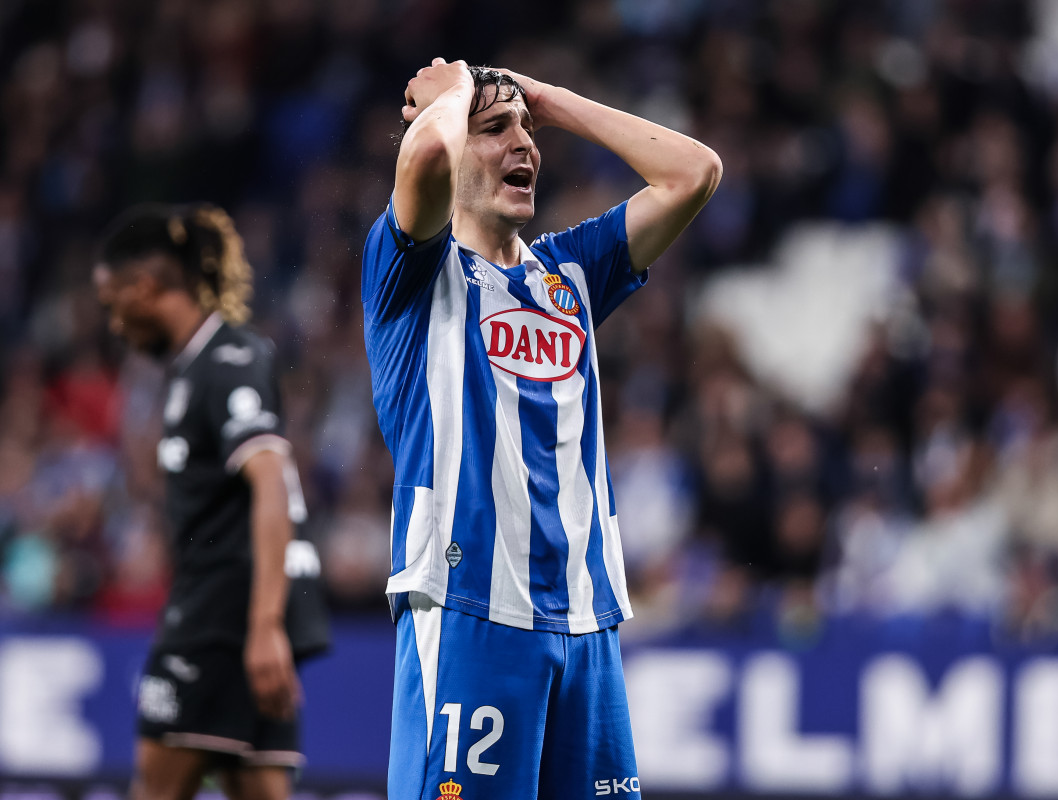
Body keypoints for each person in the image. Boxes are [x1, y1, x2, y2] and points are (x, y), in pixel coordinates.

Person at [361, 60, 721, 799]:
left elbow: (694, 173)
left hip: (587, 621)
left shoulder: (568, 275)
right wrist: (455, 94)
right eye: (495, 131)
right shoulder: (413, 276)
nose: (522, 143)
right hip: (470, 612)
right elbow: (426, 156)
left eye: (526, 131)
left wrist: (546, 100)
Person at [94, 204, 330, 800]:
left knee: (155, 788)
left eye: (111, 302)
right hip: (237, 616)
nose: (113, 324)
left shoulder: (228, 360)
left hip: (220, 620)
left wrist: (265, 626)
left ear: (145, 289)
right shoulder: (194, 369)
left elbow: (272, 478)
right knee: (254, 787)